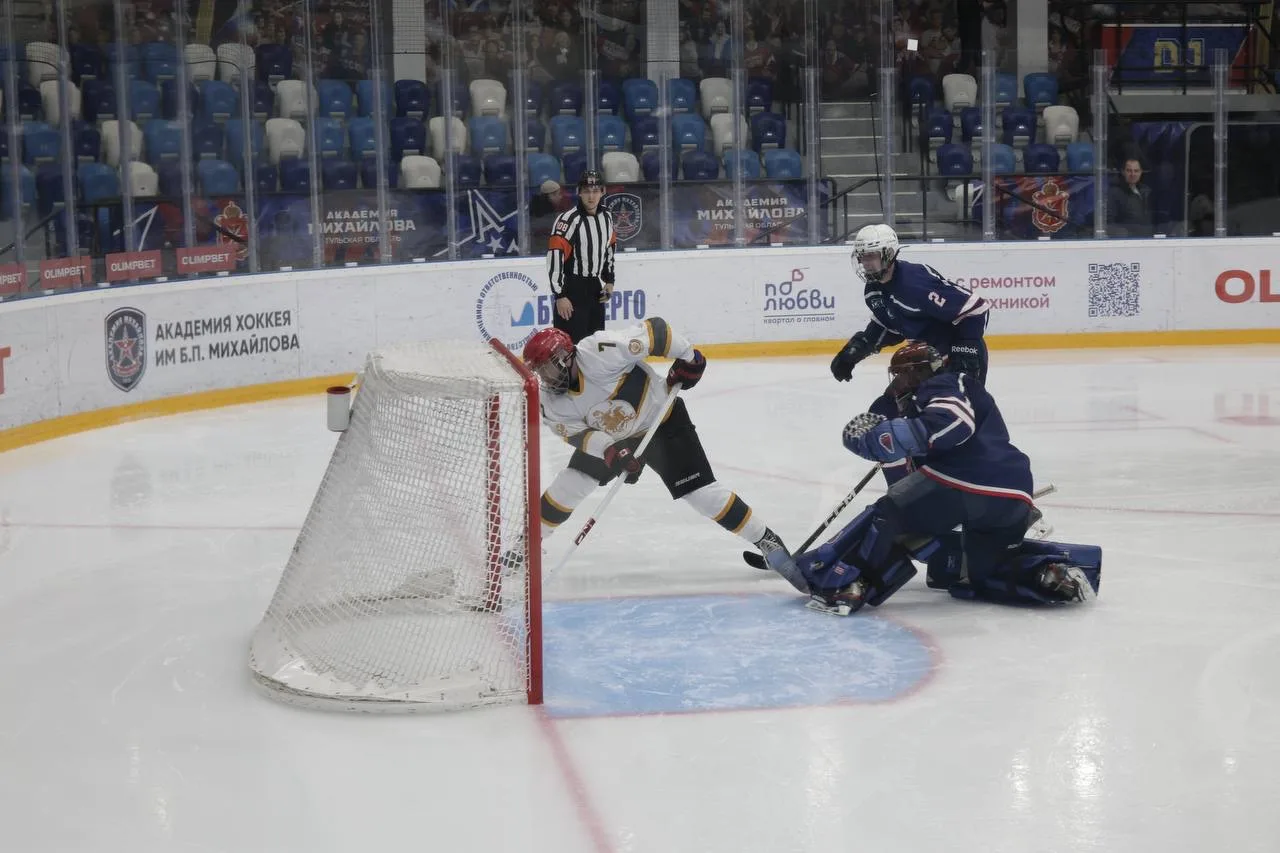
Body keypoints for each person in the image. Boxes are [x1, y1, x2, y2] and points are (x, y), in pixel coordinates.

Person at [798, 342, 1100, 616]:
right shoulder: (934, 398)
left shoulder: (946, 384)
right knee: (983, 574)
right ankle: (1049, 575)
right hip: (1012, 494)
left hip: (962, 481)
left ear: (917, 373)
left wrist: (890, 438)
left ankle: (847, 583)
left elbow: (955, 422)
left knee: (886, 514)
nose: (897, 382)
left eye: (901, 374)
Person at [520, 320, 808, 591]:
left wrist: (689, 357)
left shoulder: (599, 351)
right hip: (616, 439)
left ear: (564, 358)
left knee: (702, 494)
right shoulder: (550, 402)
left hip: (662, 420)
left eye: (546, 368)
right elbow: (578, 435)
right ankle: (528, 545)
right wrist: (610, 450)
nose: (543, 377)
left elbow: (655, 330)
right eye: (539, 371)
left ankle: (766, 540)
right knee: (572, 482)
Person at [830, 222, 993, 485]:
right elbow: (889, 327)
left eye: (871, 256)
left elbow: (975, 309)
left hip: (952, 361)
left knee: (946, 426)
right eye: (862, 257)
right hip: (921, 363)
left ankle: (969, 483)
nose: (866, 263)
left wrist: (964, 358)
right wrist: (854, 352)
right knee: (882, 418)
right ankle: (903, 493)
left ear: (888, 254)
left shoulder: (915, 283)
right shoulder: (873, 291)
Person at [547, 170, 617, 344]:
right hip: (572, 290)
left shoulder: (607, 217)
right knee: (571, 346)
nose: (591, 196)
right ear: (579, 192)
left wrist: (609, 281)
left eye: (595, 191)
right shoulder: (568, 220)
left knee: (596, 344)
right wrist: (560, 295)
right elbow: (555, 257)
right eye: (586, 191)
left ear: (603, 191)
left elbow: (609, 247)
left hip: (595, 288)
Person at [1108, 158, 1154, 237]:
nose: (1133, 174)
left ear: (1141, 172)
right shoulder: (1115, 193)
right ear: (1123, 172)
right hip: (1128, 240)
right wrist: (1122, 233)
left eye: (1136, 171)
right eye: (1129, 171)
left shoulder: (1146, 191)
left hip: (1148, 238)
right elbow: (1109, 222)